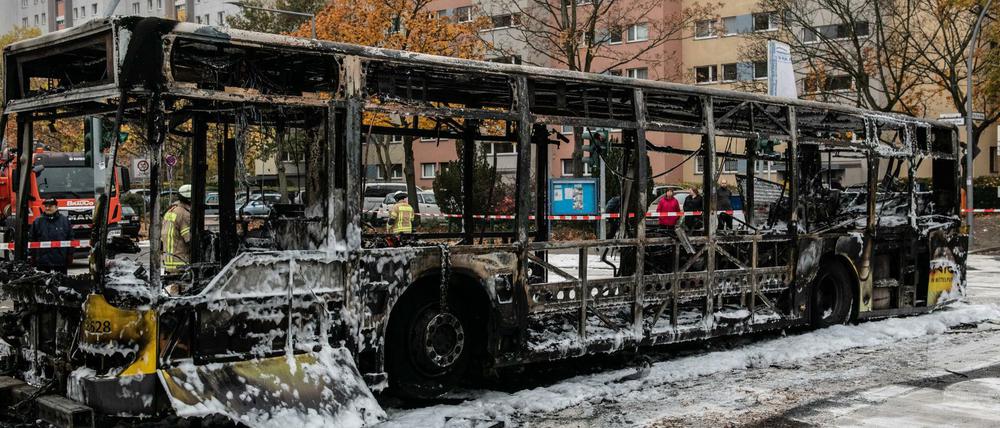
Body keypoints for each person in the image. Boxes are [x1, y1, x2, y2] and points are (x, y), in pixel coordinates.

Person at [29, 198, 72, 274]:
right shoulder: (38, 221)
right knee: (42, 283)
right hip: (43, 260)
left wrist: (70, 255)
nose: (47, 208)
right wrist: (33, 257)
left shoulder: (64, 221)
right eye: (46, 206)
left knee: (62, 282)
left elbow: (70, 238)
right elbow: (32, 239)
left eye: (50, 206)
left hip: (60, 260)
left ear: (56, 207)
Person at [162, 184, 192, 274]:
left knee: (174, 287)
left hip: (169, 262)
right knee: (183, 287)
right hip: (181, 262)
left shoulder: (171, 211)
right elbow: (190, 239)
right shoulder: (184, 214)